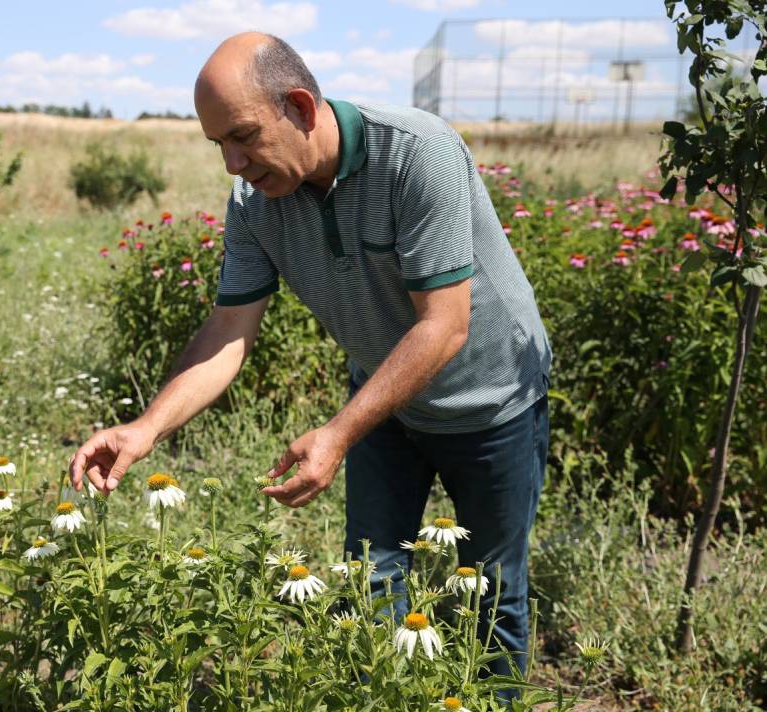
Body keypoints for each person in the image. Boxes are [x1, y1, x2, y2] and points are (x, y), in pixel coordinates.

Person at [70, 32, 551, 685]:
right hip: (385, 409)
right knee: (368, 584)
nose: (233, 164)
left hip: (493, 403)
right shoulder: (257, 203)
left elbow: (442, 328)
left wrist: (336, 433)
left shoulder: (416, 153)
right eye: (219, 145)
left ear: (300, 106)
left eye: (242, 136)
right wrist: (146, 427)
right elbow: (227, 331)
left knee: (497, 596)